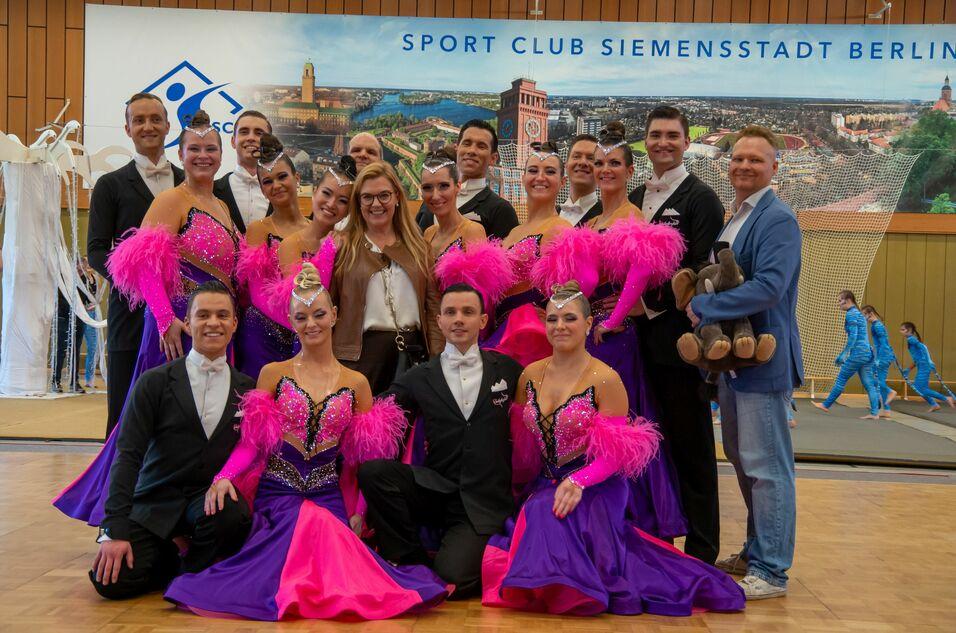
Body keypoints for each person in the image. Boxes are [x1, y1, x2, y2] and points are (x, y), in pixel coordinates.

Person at [164, 263, 448, 619]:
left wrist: (359, 513)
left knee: (326, 531)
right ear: (291, 320)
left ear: (334, 315)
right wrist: (223, 477)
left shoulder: (357, 383)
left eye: (318, 314)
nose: (310, 324)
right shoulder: (272, 374)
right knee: (306, 532)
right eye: (301, 317)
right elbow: (251, 445)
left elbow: (361, 461)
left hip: (328, 495)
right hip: (277, 495)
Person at [481, 281, 745, 616]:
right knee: (535, 509)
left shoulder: (606, 379)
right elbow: (523, 448)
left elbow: (615, 454)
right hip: (547, 481)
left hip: (596, 486)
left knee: (546, 513)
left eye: (570, 319)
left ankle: (565, 587)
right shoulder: (529, 375)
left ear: (589, 324)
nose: (560, 326)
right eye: (552, 319)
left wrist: (579, 482)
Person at [54, 110, 241, 527]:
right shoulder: (171, 199)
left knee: (204, 420)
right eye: (194, 149)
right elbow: (142, 264)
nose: (203, 156)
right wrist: (163, 320)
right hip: (175, 326)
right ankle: (132, 513)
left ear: (221, 153)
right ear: (181, 152)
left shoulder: (221, 206)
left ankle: (192, 513)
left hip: (212, 328)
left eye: (211, 148)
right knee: (164, 420)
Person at [687, 125, 803, 600]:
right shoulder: (736, 217)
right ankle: (756, 551)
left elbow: (770, 287)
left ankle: (772, 569)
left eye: (756, 159)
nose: (744, 166)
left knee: (768, 466)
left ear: (775, 167)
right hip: (735, 365)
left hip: (764, 364)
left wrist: (704, 309)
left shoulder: (777, 219)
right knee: (743, 460)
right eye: (737, 158)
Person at [89, 282, 254, 600]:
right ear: (188, 321)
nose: (213, 323)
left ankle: (187, 571)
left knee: (233, 517)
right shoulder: (154, 382)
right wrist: (114, 529)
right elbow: (127, 456)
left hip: (206, 504)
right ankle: (180, 561)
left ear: (234, 323)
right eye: (203, 315)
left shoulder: (248, 389)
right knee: (111, 581)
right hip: (154, 501)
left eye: (222, 315)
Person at [359, 283, 524, 599]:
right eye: (450, 312)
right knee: (374, 473)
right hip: (436, 488)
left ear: (483, 320)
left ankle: (455, 560)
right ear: (439, 321)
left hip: (483, 500)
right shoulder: (420, 376)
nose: (459, 319)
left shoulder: (509, 369)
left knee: (454, 581)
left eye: (467, 312)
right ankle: (411, 559)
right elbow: (378, 409)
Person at [627, 106, 725, 563]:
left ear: (686, 142)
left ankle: (703, 550)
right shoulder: (632, 195)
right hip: (633, 345)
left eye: (671, 135)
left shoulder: (701, 198)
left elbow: (700, 269)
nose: (662, 142)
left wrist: (647, 302)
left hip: (678, 344)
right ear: (644, 142)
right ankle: (655, 542)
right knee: (648, 447)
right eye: (654, 135)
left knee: (692, 448)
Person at [87, 92, 184, 437]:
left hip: (182, 315)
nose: (148, 127)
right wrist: (141, 284)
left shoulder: (188, 182)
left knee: (176, 410)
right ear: (127, 129)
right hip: (129, 314)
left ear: (168, 126)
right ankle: (116, 487)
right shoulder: (110, 185)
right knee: (124, 412)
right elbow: (97, 251)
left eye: (155, 119)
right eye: (139, 120)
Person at [331, 162, 443, 394]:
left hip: (412, 356)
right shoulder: (342, 246)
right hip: (359, 359)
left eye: (384, 195)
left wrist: (438, 361)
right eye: (367, 197)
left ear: (397, 198)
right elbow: (329, 308)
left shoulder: (419, 247)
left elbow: (433, 310)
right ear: (358, 203)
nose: (376, 204)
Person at [481, 142, 572, 367]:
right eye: (533, 170)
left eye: (549, 171)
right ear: (523, 178)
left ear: (562, 182)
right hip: (500, 333)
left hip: (533, 339)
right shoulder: (514, 232)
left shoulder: (561, 228)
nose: (540, 177)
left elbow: (570, 292)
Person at [234, 133, 310, 379]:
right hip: (263, 332)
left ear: (297, 178)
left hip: (309, 334)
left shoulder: (316, 230)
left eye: (282, 177)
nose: (276, 185)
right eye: (267, 182)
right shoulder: (259, 230)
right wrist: (297, 324)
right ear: (262, 189)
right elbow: (257, 293)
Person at [416, 120, 519, 240]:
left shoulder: (501, 210)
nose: (472, 151)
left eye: (481, 146)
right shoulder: (432, 199)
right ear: (457, 148)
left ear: (493, 158)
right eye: (467, 143)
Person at [276, 156, 356, 273]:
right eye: (326, 193)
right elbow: (301, 290)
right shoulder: (289, 245)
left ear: (348, 210)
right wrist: (326, 254)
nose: (331, 204)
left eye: (342, 201)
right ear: (314, 192)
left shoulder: (349, 246)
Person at [813, 290, 881, 420]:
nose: (838, 304)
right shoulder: (859, 314)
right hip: (867, 353)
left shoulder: (851, 314)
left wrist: (844, 354)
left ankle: (826, 404)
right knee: (868, 384)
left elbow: (853, 336)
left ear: (848, 300)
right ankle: (874, 413)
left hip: (859, 353)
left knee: (841, 379)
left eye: (840, 300)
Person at [421, 147, 486, 260]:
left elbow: (480, 277)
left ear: (458, 187)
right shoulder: (429, 233)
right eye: (427, 188)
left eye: (444, 186)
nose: (435, 196)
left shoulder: (472, 231)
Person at [213, 110, 272, 233]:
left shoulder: (281, 193)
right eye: (244, 132)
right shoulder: (212, 191)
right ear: (233, 141)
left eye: (259, 133)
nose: (251, 138)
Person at [900, 321, 955, 412]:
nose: (900, 331)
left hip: (925, 366)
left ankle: (946, 399)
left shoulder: (911, 339)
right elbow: (917, 358)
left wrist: (929, 361)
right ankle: (934, 404)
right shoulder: (910, 340)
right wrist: (909, 369)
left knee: (920, 388)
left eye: (902, 329)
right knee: (920, 389)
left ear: (909, 330)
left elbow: (924, 347)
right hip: (922, 366)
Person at [558, 133, 603, 226]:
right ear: (566, 164)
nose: (583, 162)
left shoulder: (608, 217)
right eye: (576, 156)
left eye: (591, 158)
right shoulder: (552, 214)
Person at [861, 305, 896, 417]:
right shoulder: (875, 325)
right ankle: (887, 411)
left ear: (870, 313)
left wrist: (879, 359)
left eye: (864, 315)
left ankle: (891, 391)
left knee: (878, 383)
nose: (863, 318)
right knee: (879, 382)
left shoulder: (877, 326)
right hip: (883, 355)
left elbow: (884, 344)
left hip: (883, 356)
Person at [52, 285, 83, 393]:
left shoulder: (82, 282)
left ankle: (74, 382)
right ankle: (55, 381)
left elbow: (87, 297)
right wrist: (73, 307)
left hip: (79, 319)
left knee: (75, 352)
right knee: (61, 351)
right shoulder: (62, 281)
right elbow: (58, 299)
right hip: (64, 319)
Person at [80, 259, 101, 389]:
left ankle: (90, 378)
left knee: (94, 346)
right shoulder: (81, 279)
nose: (88, 266)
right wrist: (85, 307)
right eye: (86, 263)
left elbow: (98, 296)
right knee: (87, 344)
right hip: (84, 313)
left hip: (94, 313)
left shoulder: (95, 278)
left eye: (89, 263)